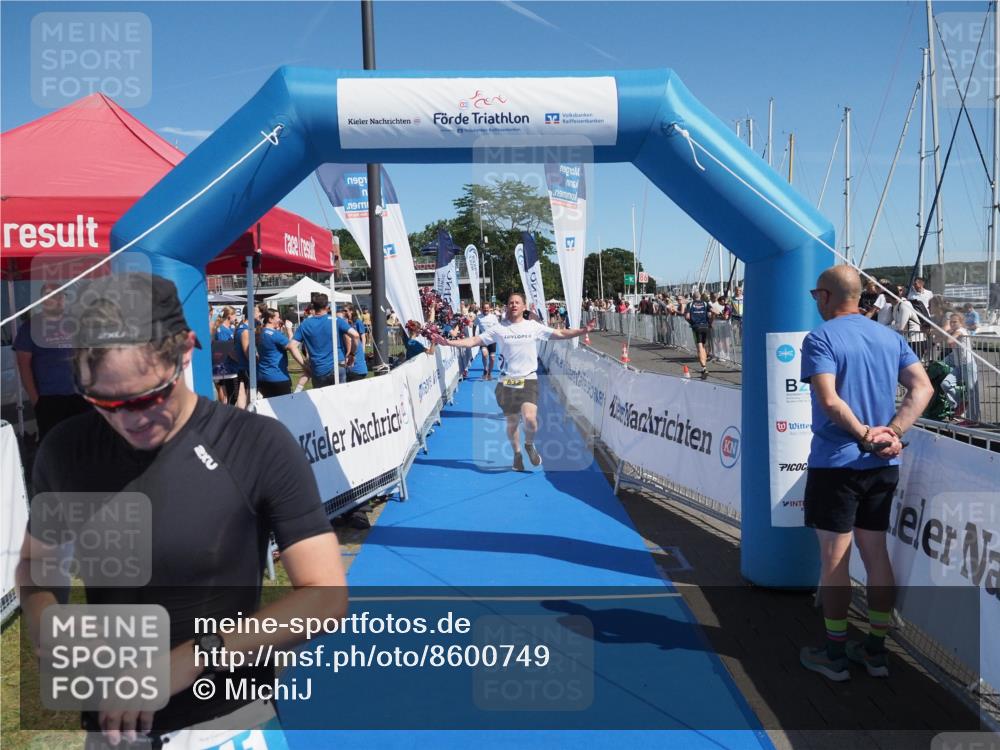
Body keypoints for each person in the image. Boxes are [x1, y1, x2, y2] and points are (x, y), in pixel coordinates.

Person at [16, 272, 346, 746]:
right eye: (106, 403)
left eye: (151, 396)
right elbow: (34, 564)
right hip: (112, 730)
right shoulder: (67, 449)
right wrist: (45, 616)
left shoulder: (255, 443)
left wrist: (192, 658)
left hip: (224, 724)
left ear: (186, 350)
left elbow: (325, 596)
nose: (132, 419)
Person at [798, 265, 932, 682]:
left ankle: (835, 653)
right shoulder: (889, 337)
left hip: (839, 463)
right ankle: (875, 651)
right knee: (876, 554)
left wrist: (865, 435)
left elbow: (830, 400)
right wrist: (890, 433)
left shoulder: (820, 337)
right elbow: (922, 387)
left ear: (824, 296)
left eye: (815, 296)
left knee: (835, 559)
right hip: (883, 464)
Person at [433, 292, 596, 472]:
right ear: (507, 306)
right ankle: (517, 453)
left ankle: (529, 444)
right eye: (511, 302)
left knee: (530, 419)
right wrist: (448, 342)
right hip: (506, 381)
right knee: (512, 423)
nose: (514, 305)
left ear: (524, 307)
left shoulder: (533, 326)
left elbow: (559, 332)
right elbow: (474, 340)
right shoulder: (499, 329)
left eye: (517, 302)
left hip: (528, 379)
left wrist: (582, 331)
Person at [13, 283, 91, 441]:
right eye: (54, 296)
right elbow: (24, 366)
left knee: (84, 443)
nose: (59, 299)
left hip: (80, 396)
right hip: (49, 399)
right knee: (53, 445)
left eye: (62, 295)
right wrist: (36, 400)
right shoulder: (30, 327)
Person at [288, 295, 358, 388]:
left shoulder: (305, 324)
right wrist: (352, 354)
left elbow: (292, 346)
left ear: (313, 307)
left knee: (321, 400)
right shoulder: (335, 320)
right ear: (327, 307)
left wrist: (304, 365)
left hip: (319, 368)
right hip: (337, 366)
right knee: (340, 399)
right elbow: (356, 335)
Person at [257, 307, 308, 398]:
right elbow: (292, 346)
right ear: (270, 319)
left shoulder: (261, 332)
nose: (280, 320)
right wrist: (289, 330)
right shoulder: (275, 335)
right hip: (278, 377)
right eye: (277, 317)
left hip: (263, 376)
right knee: (285, 407)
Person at [685, 292, 714, 378]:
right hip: (705, 326)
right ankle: (704, 366)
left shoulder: (690, 304)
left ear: (693, 297)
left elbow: (687, 316)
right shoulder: (705, 303)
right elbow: (710, 313)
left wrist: (691, 323)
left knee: (700, 347)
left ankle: (704, 368)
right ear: (700, 297)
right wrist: (710, 322)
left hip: (696, 327)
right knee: (703, 346)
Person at [475, 302, 500, 380]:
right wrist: (474, 336)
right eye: (484, 308)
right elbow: (474, 325)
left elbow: (498, 327)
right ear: (482, 308)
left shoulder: (493, 317)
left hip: (492, 340)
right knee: (485, 354)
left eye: (487, 308)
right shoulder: (478, 317)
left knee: (492, 358)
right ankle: (485, 369)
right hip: (483, 339)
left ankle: (489, 373)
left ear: (489, 308)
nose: (486, 309)